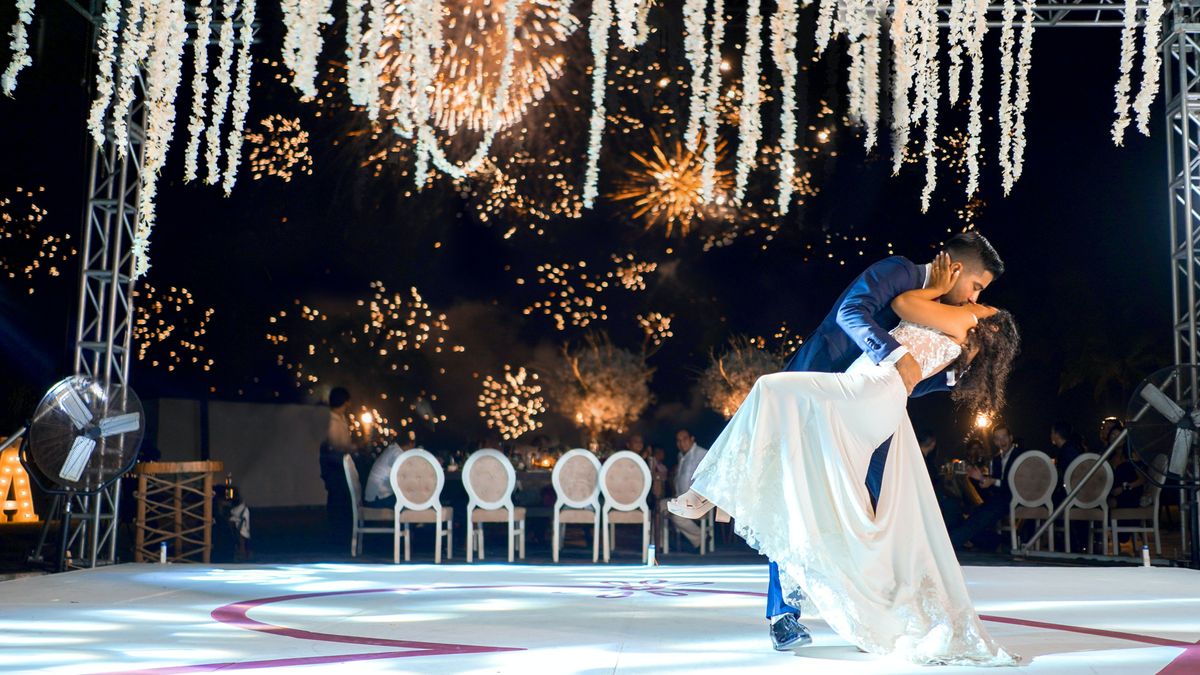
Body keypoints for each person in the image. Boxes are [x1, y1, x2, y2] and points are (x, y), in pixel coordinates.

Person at [671, 250, 1020, 664]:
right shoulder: (900, 272)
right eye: (977, 287)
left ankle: (870, 615)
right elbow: (852, 313)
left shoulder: (954, 317)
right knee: (793, 495)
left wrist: (931, 369)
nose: (973, 298)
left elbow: (913, 372)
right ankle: (784, 614)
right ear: (957, 268)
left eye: (983, 297)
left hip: (865, 405)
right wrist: (903, 353)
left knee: (866, 515)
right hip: (823, 385)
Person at [948, 425, 1028, 550]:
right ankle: (999, 541)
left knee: (979, 517)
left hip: (1017, 498)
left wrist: (992, 481)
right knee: (973, 515)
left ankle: (949, 543)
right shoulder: (996, 459)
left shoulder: (1021, 456)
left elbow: (1019, 484)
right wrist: (981, 480)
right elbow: (994, 486)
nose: (1002, 441)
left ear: (1011, 438)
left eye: (1004, 437)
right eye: (998, 438)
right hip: (1000, 499)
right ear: (995, 441)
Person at [319, 387, 357, 545]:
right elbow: (335, 444)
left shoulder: (341, 418)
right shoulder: (331, 420)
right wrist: (352, 448)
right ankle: (336, 535)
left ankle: (341, 533)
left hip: (339, 464)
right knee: (336, 498)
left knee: (341, 499)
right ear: (345, 401)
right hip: (334, 465)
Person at [666, 429, 708, 551]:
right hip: (680, 499)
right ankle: (660, 546)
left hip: (697, 500)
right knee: (659, 507)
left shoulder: (702, 454)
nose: (681, 443)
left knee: (676, 515)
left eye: (684, 439)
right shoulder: (681, 456)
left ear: (692, 439)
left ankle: (702, 537)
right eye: (678, 441)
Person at [363, 435, 418, 509]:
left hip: (375, 496)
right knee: (412, 504)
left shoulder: (393, 449)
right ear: (411, 444)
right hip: (378, 499)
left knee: (410, 502)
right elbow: (407, 475)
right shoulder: (397, 453)